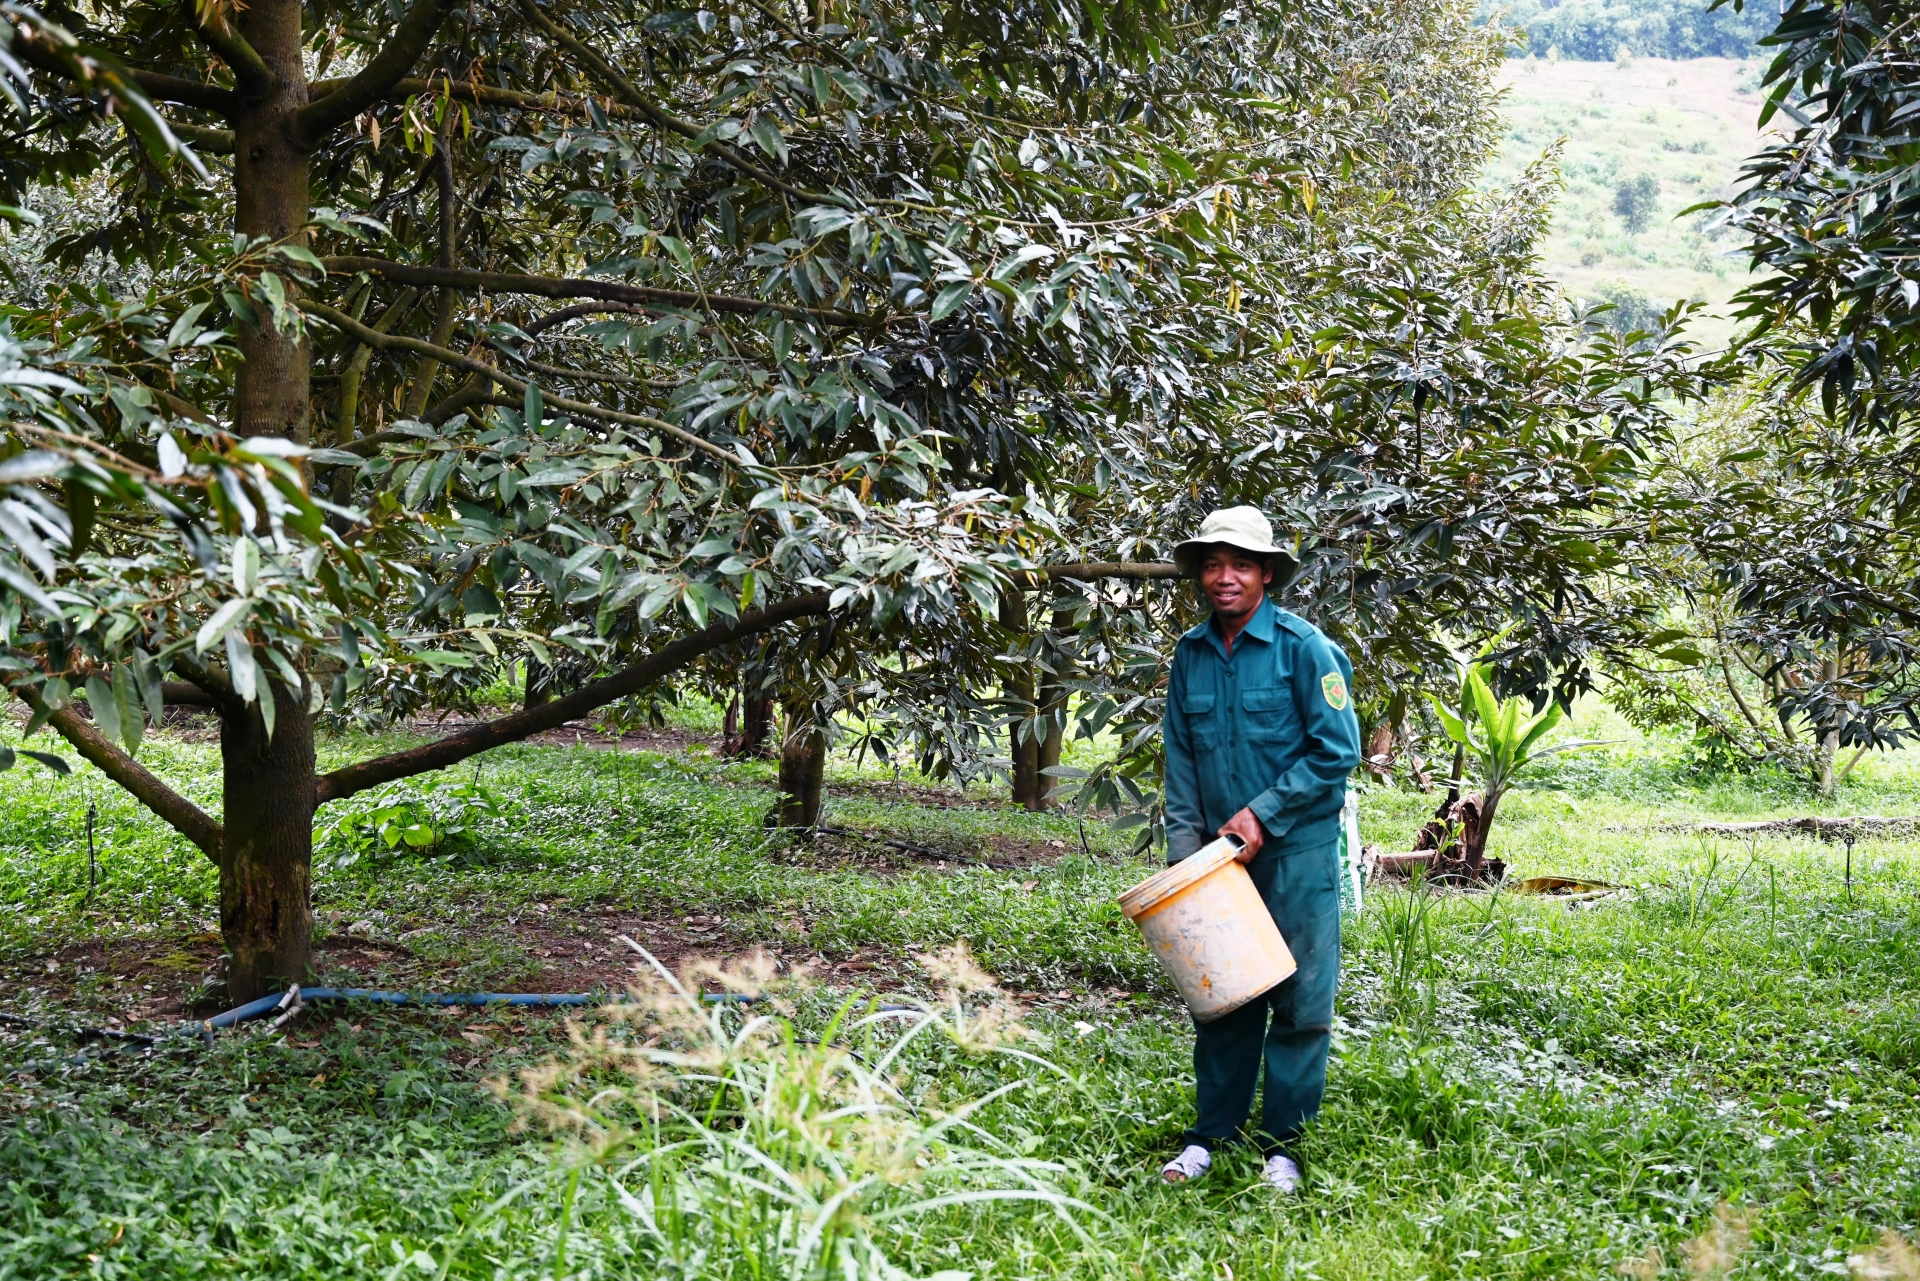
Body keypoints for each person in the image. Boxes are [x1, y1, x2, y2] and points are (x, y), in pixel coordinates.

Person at [1156, 506, 1361, 1194]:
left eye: (1240, 563)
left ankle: (1285, 1148)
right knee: (1222, 995)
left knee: (1301, 1001)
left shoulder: (1306, 649)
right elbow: (1181, 765)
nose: (1224, 577)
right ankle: (1210, 1136)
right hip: (1218, 860)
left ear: (1266, 572)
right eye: (1213, 563)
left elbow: (1339, 750)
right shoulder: (1190, 653)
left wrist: (1264, 811)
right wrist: (1186, 861)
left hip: (1296, 853)